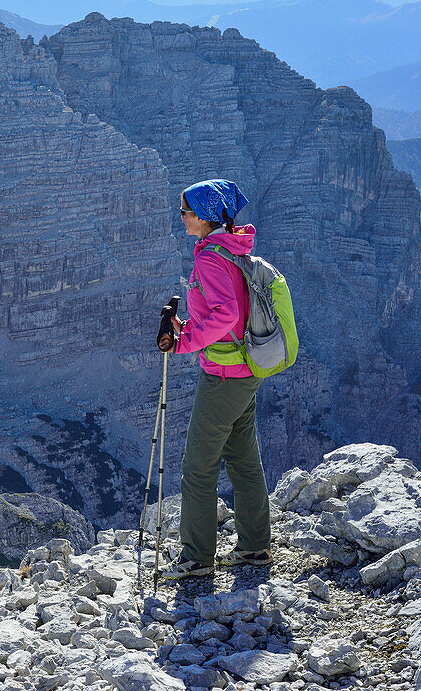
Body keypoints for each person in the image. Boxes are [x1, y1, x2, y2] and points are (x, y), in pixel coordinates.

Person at [156, 179, 271, 580]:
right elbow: (230, 312)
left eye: (186, 210)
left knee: (198, 468)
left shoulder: (209, 258)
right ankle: (255, 547)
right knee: (242, 460)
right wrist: (186, 325)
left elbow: (224, 316)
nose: (182, 216)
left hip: (223, 376)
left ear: (205, 216)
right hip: (246, 370)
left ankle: (197, 559)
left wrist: (184, 340)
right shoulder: (231, 248)